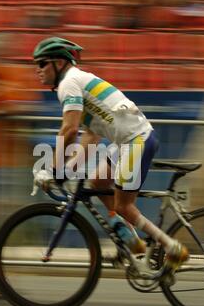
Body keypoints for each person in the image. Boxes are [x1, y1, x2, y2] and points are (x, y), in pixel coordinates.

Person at [32, 36, 189, 272]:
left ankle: (172, 247)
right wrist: (68, 168)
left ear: (58, 63)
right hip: (127, 140)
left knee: (124, 205)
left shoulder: (69, 83)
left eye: (42, 63)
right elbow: (90, 136)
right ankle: (132, 241)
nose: (38, 70)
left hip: (136, 141)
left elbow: (69, 129)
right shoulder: (78, 80)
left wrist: (52, 170)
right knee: (97, 181)